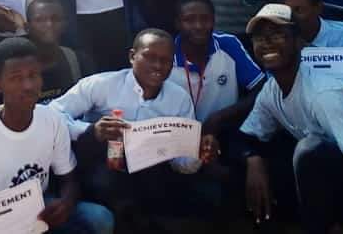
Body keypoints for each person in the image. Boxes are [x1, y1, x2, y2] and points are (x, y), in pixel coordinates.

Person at [238, 4, 343, 233]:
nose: (267, 43)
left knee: (308, 150)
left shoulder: (324, 94)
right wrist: (254, 161)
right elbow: (250, 135)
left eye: (278, 34)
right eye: (260, 37)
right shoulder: (272, 89)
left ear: (299, 42)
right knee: (258, 159)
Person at [0, 38, 115, 234]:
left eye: (33, 75)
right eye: (16, 78)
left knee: (100, 219)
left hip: (38, 213)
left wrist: (66, 203)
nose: (28, 85)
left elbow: (68, 178)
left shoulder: (53, 120)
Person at [50, 29, 219, 221]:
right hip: (102, 166)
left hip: (151, 176)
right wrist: (90, 130)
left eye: (165, 60)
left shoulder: (179, 98)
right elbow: (53, 114)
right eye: (149, 57)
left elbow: (182, 163)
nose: (157, 65)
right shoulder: (101, 84)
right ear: (132, 56)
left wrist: (198, 153)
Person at [171, 0, 265, 135]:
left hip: (223, 132)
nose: (198, 26)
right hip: (177, 136)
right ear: (177, 23)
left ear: (214, 20)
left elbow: (261, 88)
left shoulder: (228, 44)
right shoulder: (166, 53)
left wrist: (221, 117)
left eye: (205, 19)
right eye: (189, 20)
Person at [27, 0, 90, 103]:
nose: (49, 24)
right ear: (27, 27)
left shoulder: (78, 61)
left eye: (55, 19)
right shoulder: (18, 66)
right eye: (40, 20)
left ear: (65, 24)